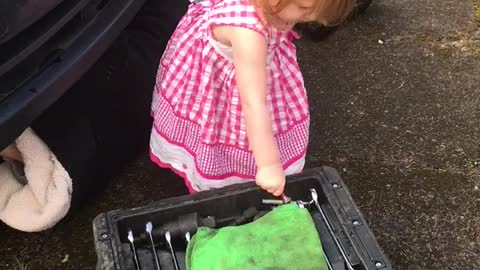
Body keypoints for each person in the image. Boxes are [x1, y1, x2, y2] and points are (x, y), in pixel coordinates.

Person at [149, 0, 354, 196]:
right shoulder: (248, 33)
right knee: (225, 131)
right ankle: (226, 174)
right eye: (303, 7)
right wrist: (269, 165)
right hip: (235, 83)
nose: (309, 18)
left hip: (248, 67)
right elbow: (253, 103)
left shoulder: (268, 10)